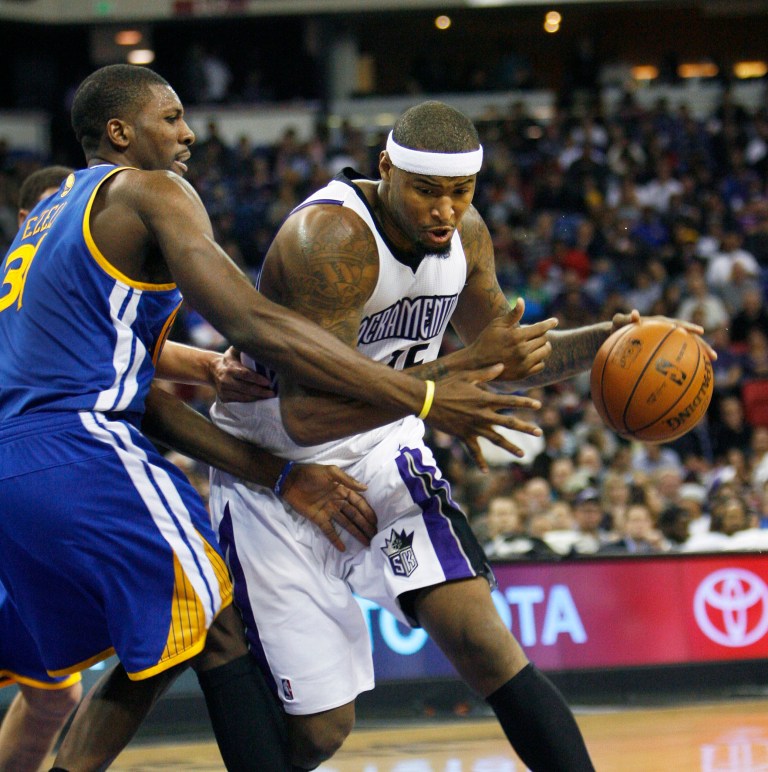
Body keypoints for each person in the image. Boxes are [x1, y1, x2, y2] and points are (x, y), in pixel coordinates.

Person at [0, 68, 540, 772]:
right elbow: (254, 321)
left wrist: (208, 371)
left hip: (20, 462)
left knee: (160, 645)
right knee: (211, 621)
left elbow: (131, 383)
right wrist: (427, 393)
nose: (189, 133)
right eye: (171, 117)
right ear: (120, 132)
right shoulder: (151, 191)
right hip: (78, 445)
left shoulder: (51, 215)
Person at [208, 100, 712, 770]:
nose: (444, 211)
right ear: (387, 169)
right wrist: (441, 383)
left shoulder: (466, 235)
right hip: (275, 468)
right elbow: (307, 417)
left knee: (483, 642)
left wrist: (611, 342)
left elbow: (504, 355)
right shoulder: (329, 242)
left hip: (383, 449)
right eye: (426, 191)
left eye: (460, 191)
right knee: (322, 729)